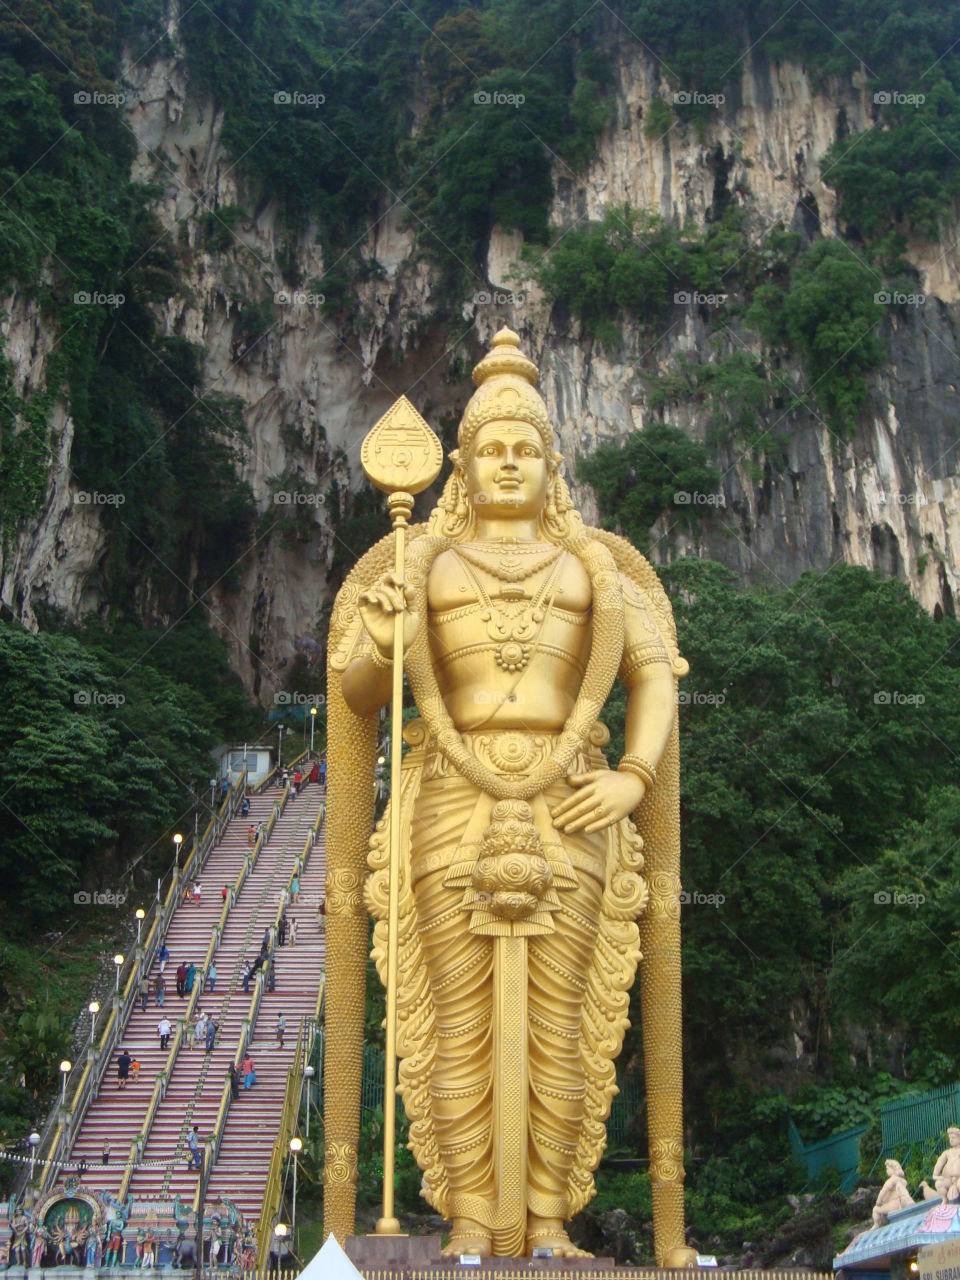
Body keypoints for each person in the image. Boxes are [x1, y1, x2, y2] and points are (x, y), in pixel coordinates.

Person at [324, 329, 691, 1262]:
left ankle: (549, 1220)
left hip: (574, 797)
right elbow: (360, 689)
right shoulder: (422, 562)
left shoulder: (597, 569)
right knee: (455, 1015)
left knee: (564, 1022)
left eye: (526, 448)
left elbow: (655, 678)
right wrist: (382, 631)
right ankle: (471, 1220)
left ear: (552, 461)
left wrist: (632, 776)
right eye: (493, 448)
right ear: (463, 463)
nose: (511, 462)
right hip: (450, 792)